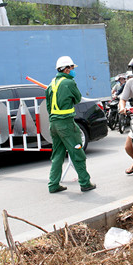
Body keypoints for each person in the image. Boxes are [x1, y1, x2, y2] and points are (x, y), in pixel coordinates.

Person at [45, 56, 96, 193]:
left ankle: (53, 184)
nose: (73, 71)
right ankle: (85, 182)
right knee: (77, 151)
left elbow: (48, 107)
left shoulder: (51, 84)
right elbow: (78, 98)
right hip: (66, 123)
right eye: (72, 68)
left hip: (54, 124)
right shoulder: (69, 83)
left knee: (57, 155)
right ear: (66, 69)